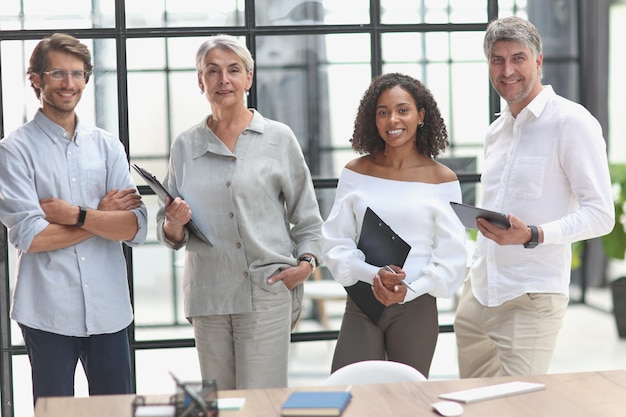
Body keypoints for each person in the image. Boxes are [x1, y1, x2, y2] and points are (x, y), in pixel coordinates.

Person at [156, 34, 323, 390]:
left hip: (266, 292)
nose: (223, 79)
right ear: (200, 81)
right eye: (212, 71)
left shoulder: (279, 139)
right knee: (221, 406)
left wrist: (305, 265)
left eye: (233, 70)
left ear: (248, 78)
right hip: (209, 293)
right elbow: (169, 230)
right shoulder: (185, 145)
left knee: (260, 404)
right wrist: (173, 221)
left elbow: (307, 217)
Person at [454, 16, 615, 378]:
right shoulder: (496, 131)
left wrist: (533, 234)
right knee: (475, 406)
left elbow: (601, 214)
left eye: (518, 58)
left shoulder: (572, 123)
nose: (507, 70)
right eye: (497, 59)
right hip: (477, 296)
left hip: (530, 300)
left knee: (519, 406)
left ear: (538, 61)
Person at [0, 33, 148, 404]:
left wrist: (74, 215)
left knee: (117, 412)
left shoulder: (108, 145)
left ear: (86, 79)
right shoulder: (13, 151)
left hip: (109, 310)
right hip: (47, 309)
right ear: (35, 79)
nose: (69, 84)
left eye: (77, 74)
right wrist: (101, 218)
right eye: (57, 73)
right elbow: (32, 237)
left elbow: (135, 227)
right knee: (54, 412)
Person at [321, 72, 467, 378]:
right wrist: (374, 275)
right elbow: (335, 244)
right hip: (363, 301)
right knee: (348, 393)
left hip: (416, 305)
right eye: (383, 112)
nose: (392, 120)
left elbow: (453, 257)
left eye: (403, 110)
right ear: (372, 119)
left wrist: (408, 290)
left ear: (421, 115)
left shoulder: (442, 179)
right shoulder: (355, 172)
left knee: (408, 401)